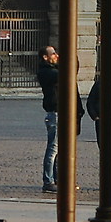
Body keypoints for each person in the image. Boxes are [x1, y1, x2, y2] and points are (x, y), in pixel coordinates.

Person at [37, 44, 65, 192]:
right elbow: (66, 74)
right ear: (45, 57)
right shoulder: (46, 72)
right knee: (53, 148)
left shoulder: (52, 70)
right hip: (54, 113)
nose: (56, 56)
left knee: (58, 149)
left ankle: (57, 179)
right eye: (53, 54)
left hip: (58, 112)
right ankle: (48, 180)